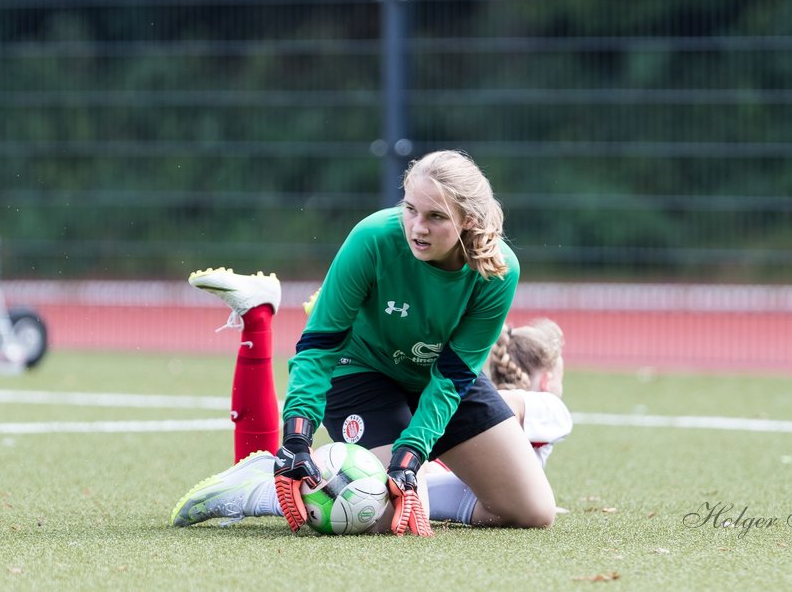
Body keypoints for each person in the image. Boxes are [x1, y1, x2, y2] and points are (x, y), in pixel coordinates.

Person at [171, 149, 556, 535]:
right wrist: (296, 437)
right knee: (386, 517)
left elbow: (454, 375)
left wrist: (411, 454)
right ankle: (258, 486)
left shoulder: (498, 270)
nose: (417, 227)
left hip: (438, 378)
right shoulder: (372, 238)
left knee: (532, 510)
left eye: (435, 217)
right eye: (410, 209)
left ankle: (399, 486)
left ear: (467, 220)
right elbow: (320, 345)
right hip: (360, 370)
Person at [422, 318, 573, 524]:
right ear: (547, 381)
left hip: (453, 482)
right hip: (475, 493)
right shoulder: (551, 406)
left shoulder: (491, 398)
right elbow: (498, 406)